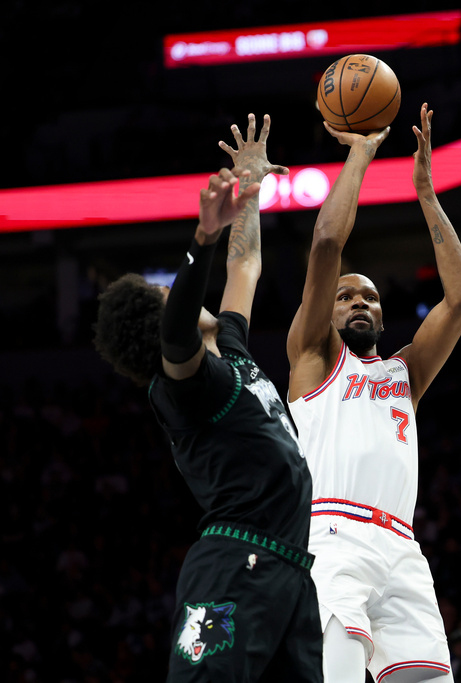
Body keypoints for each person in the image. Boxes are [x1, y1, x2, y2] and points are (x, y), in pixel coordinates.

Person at [93, 115, 323, 680]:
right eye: (164, 293)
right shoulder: (184, 386)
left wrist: (250, 190)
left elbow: (246, 263)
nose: (173, 291)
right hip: (232, 569)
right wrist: (202, 240)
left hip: (289, 569)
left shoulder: (231, 346)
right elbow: (176, 331)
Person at [286, 103, 461, 683]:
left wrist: (426, 193)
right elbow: (325, 243)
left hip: (402, 547)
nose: (359, 302)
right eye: (346, 297)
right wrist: (361, 154)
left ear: (384, 316)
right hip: (334, 536)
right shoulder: (314, 358)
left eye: (369, 297)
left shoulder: (404, 375)